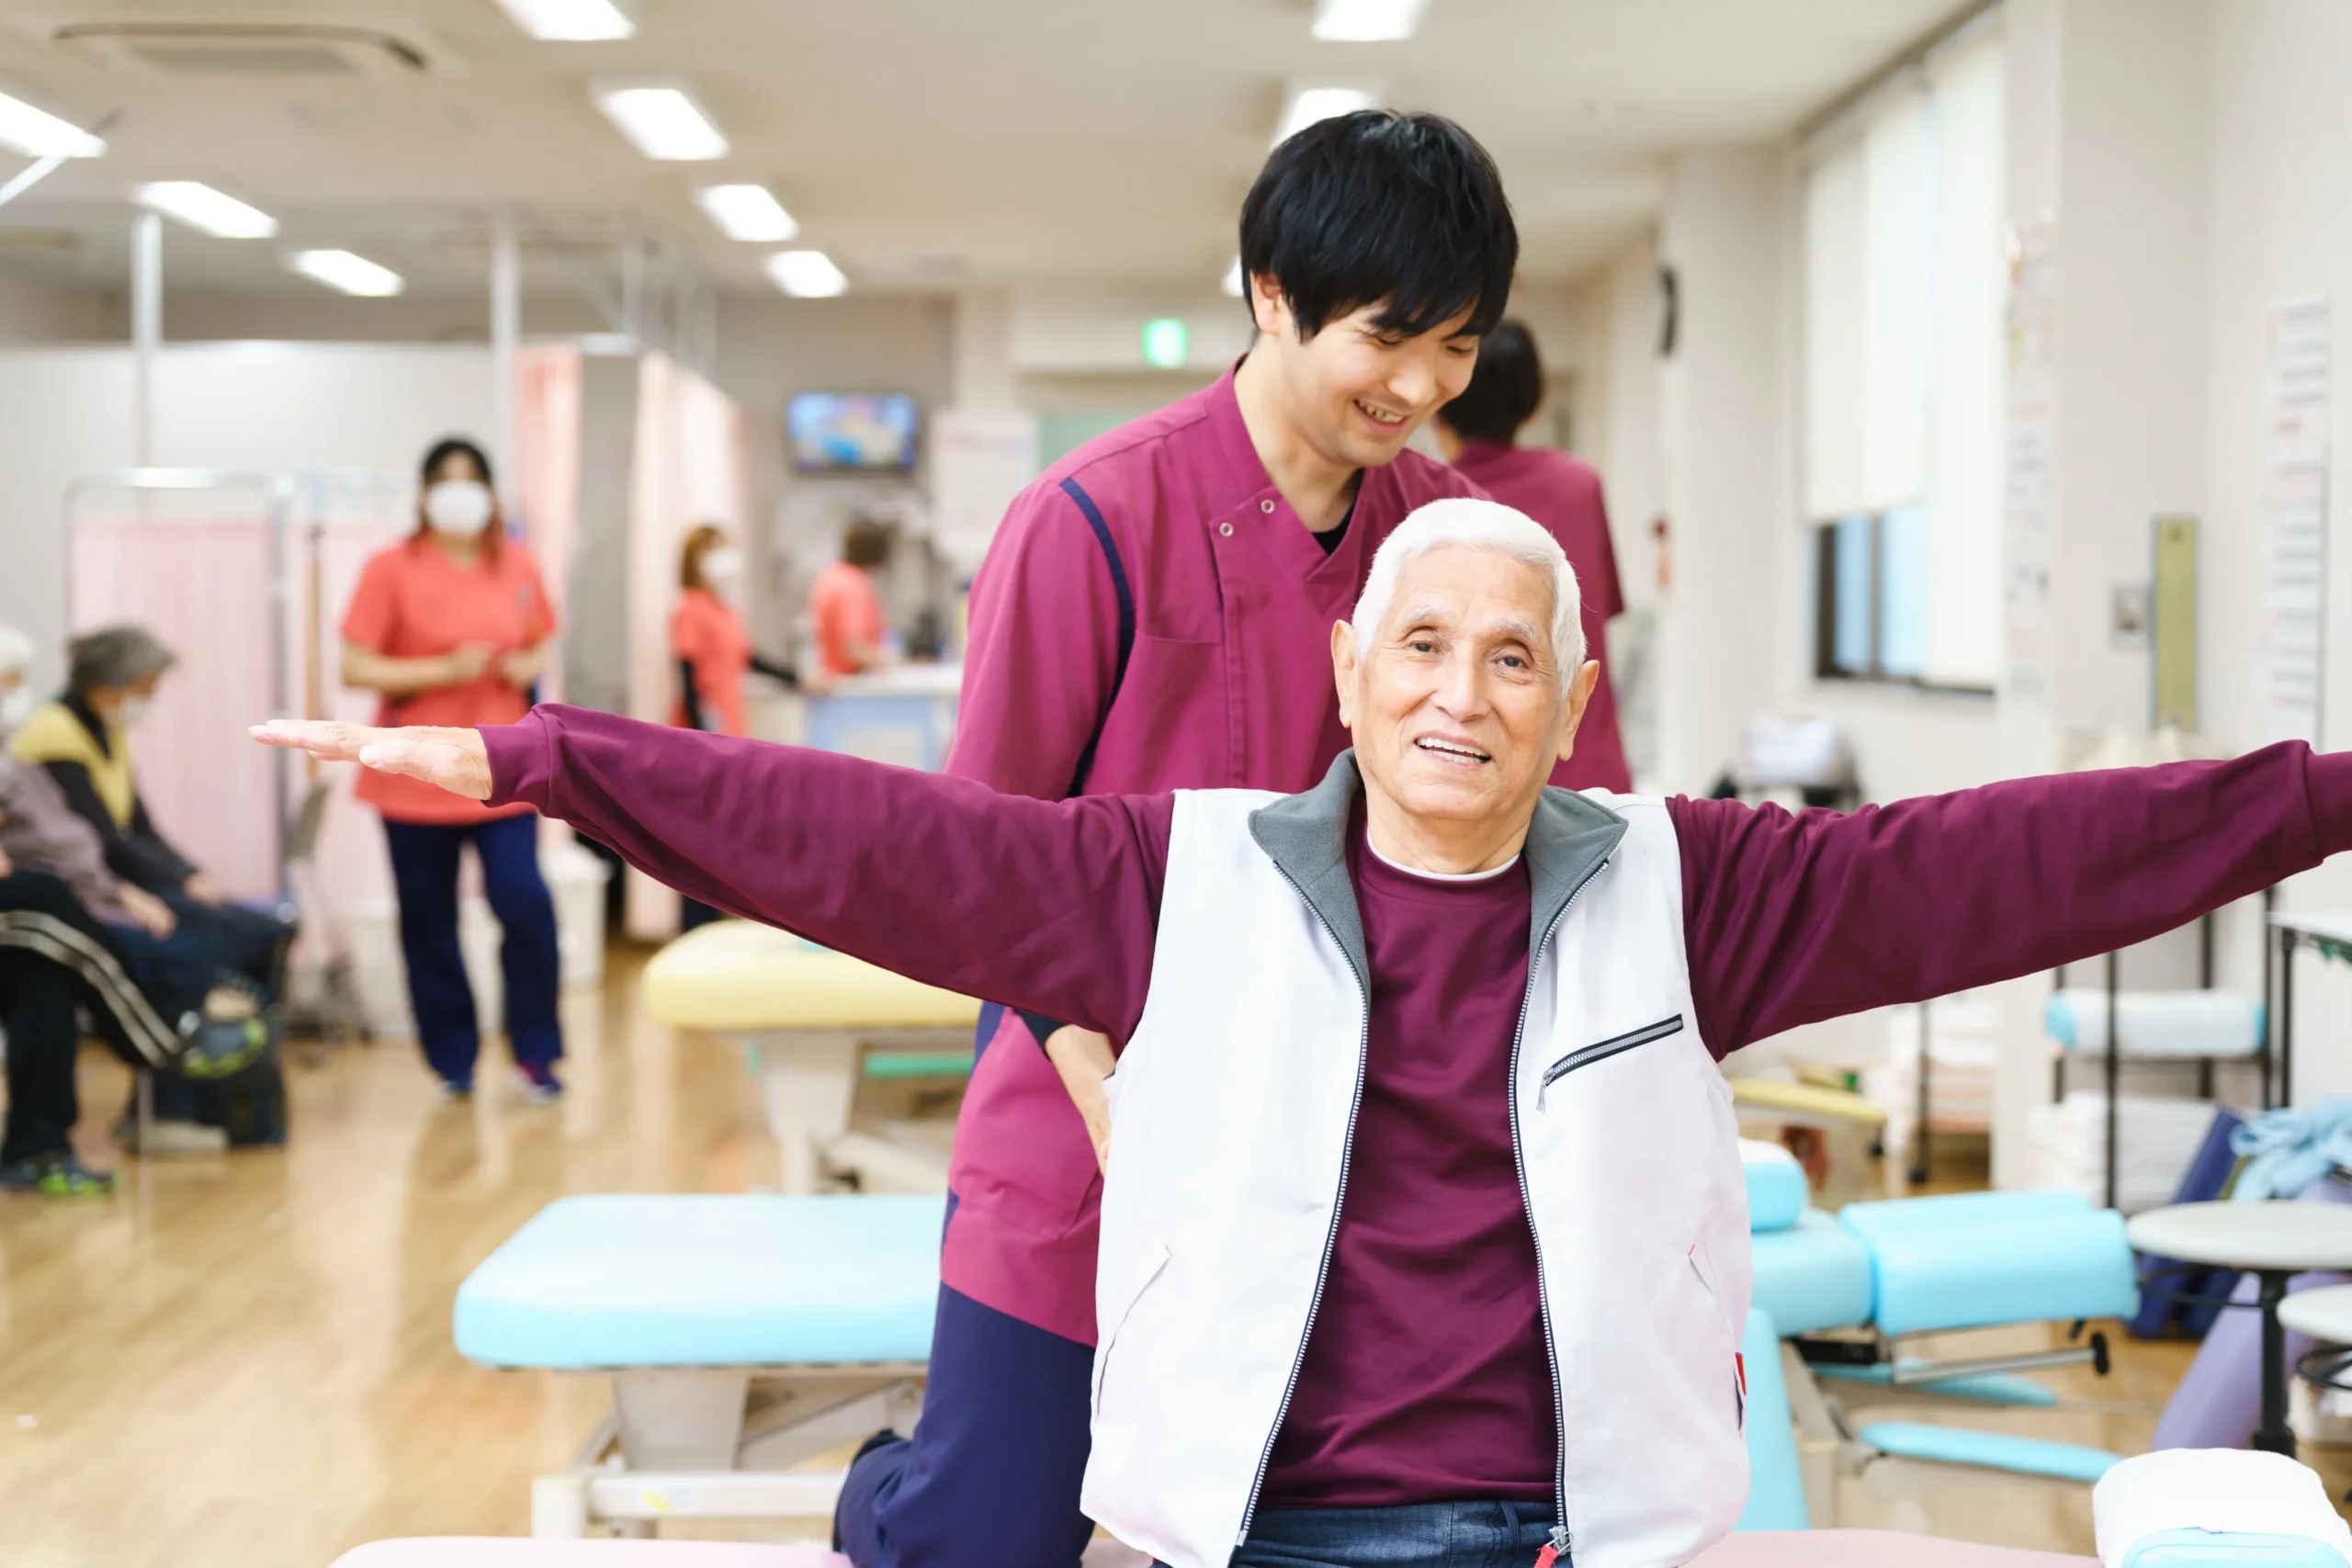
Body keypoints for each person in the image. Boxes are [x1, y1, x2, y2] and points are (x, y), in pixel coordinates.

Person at [258, 497, 2352, 1568]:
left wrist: (2327, 794)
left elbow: (2026, 855)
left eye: (1510, 657)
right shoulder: (1168, 877)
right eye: (1419, 643)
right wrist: (543, 757)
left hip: (1572, 1524)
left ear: (1573, 694)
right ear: (1349, 668)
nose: (1460, 694)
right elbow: (861, 839)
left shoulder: (1687, 882)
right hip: (1255, 1525)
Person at [338, 435, 564, 1103]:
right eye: (445, 479)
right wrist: (443, 669)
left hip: (501, 771)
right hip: (413, 774)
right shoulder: (390, 568)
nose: (458, 493)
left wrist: (527, 663)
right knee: (428, 920)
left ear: (491, 494)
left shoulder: (516, 563)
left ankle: (536, 1053)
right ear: (424, 494)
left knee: (525, 903)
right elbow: (355, 667)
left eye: (471, 480)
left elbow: (542, 640)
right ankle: (453, 1059)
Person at [10, 625, 292, 991]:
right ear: (106, 686)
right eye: (145, 689)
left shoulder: (108, 729)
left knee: (263, 928)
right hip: (98, 880)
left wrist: (189, 873)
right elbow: (103, 839)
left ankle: (251, 1018)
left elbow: (140, 825)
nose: (150, 699)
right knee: (222, 935)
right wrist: (169, 883)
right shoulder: (54, 733)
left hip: (120, 871)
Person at [1437, 320, 1633, 793]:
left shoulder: (1430, 502)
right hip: (1591, 773)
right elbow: (1601, 612)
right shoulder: (1579, 486)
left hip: (1481, 778)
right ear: (1531, 404)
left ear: (1439, 399)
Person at [807, 516, 893, 685]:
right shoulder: (854, 587)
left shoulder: (830, 576)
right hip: (850, 686)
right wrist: (889, 662)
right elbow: (854, 647)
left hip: (831, 680)